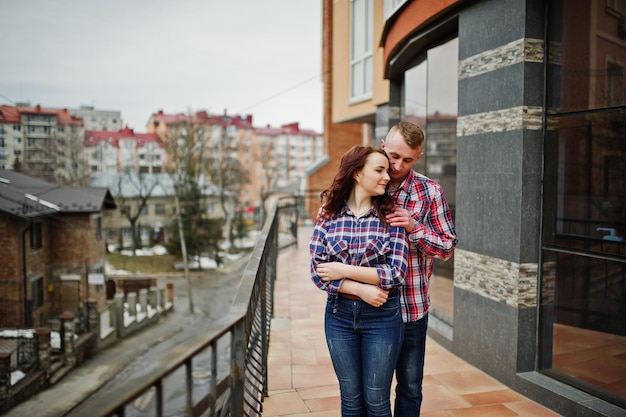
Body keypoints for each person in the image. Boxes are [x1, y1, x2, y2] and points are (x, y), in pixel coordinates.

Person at [310, 145, 409, 417]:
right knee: (351, 400)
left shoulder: (391, 216)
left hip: (383, 317)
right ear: (356, 173)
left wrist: (342, 271)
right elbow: (317, 269)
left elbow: (395, 272)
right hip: (338, 316)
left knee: (377, 401)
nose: (387, 177)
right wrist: (359, 289)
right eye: (379, 170)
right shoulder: (329, 215)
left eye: (387, 171)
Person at [382, 121, 457, 417]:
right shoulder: (363, 181)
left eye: (407, 159)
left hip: (411, 309)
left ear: (419, 157)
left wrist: (415, 228)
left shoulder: (430, 191)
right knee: (374, 389)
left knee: (410, 387)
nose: (398, 165)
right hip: (371, 308)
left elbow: (447, 247)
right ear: (383, 144)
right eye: (394, 156)